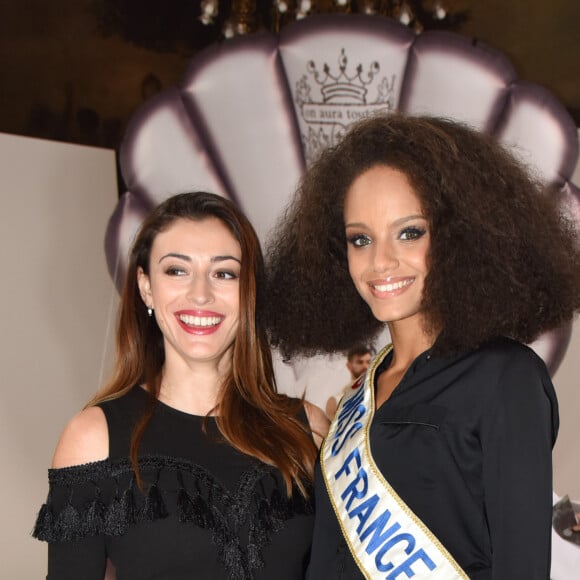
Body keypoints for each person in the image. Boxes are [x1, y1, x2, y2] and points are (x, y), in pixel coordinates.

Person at [264, 113, 580, 579]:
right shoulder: (361, 394)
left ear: (459, 238)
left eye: (410, 232)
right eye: (360, 239)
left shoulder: (505, 378)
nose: (381, 261)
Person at [33, 191, 328, 580]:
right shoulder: (93, 439)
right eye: (177, 270)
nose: (201, 294)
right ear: (146, 286)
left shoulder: (305, 428)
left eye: (224, 273)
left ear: (249, 290)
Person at [325, 344, 373, 419]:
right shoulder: (335, 402)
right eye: (360, 362)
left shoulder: (379, 393)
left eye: (368, 362)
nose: (366, 367)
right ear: (349, 366)